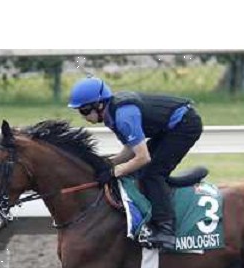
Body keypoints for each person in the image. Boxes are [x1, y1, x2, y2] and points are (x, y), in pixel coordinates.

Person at [68, 77, 203, 250]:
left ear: (99, 105)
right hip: (170, 127)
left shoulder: (123, 116)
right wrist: (109, 163)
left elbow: (142, 158)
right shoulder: (112, 114)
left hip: (185, 125)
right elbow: (130, 151)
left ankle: (166, 229)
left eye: (85, 110)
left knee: (152, 173)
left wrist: (114, 172)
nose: (83, 116)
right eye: (80, 111)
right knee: (143, 172)